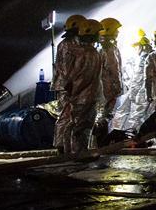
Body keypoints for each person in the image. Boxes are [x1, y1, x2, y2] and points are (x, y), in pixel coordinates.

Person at [53, 18, 105, 153]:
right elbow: (80, 76)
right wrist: (73, 91)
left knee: (72, 121)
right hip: (82, 94)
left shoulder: (81, 50)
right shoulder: (87, 52)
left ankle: (67, 149)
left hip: (76, 92)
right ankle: (76, 152)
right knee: (79, 123)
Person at [49, 13, 85, 149]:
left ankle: (68, 145)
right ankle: (60, 146)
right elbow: (65, 68)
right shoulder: (66, 45)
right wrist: (70, 85)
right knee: (65, 115)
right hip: (67, 86)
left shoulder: (73, 43)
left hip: (71, 85)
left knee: (71, 115)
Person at [93, 17, 124, 147]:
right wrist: (119, 87)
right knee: (106, 116)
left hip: (99, 89)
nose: (118, 32)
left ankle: (97, 143)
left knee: (100, 114)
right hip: (108, 88)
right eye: (116, 30)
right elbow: (114, 70)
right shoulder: (110, 49)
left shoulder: (97, 48)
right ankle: (102, 143)